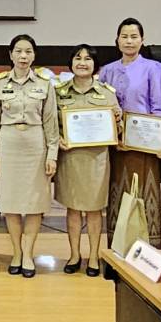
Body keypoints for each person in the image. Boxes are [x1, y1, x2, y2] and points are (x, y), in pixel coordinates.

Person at [0, 35, 58, 279]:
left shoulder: (45, 84)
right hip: (8, 145)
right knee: (11, 203)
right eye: (19, 51)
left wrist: (52, 155)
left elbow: (51, 124)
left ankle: (29, 253)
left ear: (34, 55)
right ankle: (16, 252)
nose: (23, 56)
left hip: (36, 146)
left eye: (28, 52)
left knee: (35, 204)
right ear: (11, 54)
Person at [98, 18, 161, 246]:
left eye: (134, 36)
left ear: (142, 40)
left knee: (144, 195)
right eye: (124, 36)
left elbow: (157, 107)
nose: (129, 41)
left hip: (144, 145)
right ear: (117, 40)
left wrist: (158, 142)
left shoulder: (152, 68)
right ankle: (117, 250)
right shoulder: (107, 71)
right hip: (115, 145)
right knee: (117, 194)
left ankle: (147, 251)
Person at [54, 44, 118, 276]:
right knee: (72, 210)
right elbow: (50, 125)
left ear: (95, 65)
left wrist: (117, 123)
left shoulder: (107, 92)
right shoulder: (59, 92)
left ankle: (93, 256)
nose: (82, 62)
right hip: (70, 158)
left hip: (97, 160)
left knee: (93, 211)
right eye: (78, 58)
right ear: (70, 63)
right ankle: (74, 254)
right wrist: (58, 139)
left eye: (88, 59)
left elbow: (117, 127)